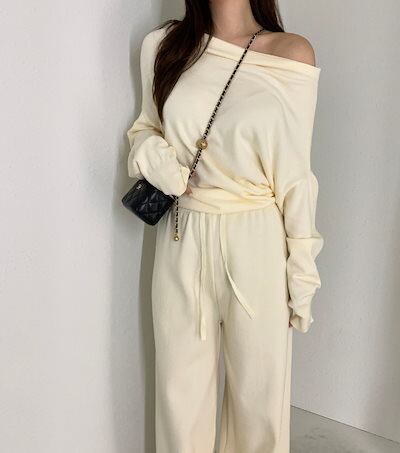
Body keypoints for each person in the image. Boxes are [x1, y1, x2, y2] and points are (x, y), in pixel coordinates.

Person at [126, 1, 324, 451]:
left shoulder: (292, 53)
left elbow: (296, 176)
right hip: (181, 233)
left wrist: (302, 271)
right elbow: (144, 129)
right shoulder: (165, 45)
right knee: (178, 396)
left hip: (257, 239)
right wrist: (164, 167)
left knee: (259, 404)